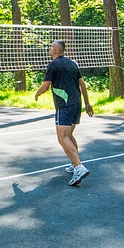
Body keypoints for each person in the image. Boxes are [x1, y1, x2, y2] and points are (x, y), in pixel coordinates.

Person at [34, 40, 95, 187]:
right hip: (77, 104)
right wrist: (87, 103)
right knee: (69, 135)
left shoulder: (53, 64)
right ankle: (75, 165)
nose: (49, 48)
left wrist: (37, 93)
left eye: (51, 46)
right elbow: (82, 84)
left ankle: (79, 167)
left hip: (65, 105)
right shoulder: (72, 63)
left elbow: (46, 85)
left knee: (62, 138)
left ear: (57, 50)